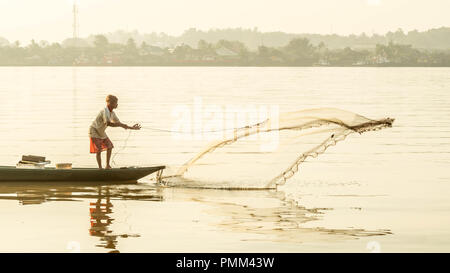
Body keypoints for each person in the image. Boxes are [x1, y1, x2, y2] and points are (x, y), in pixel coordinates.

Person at [89, 95, 141, 169]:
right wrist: (119, 124)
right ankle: (100, 168)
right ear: (109, 103)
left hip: (101, 132)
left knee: (109, 146)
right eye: (115, 103)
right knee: (99, 150)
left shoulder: (112, 113)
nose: (117, 105)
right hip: (94, 130)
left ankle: (107, 165)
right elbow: (108, 123)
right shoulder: (105, 111)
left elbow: (119, 123)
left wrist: (132, 128)